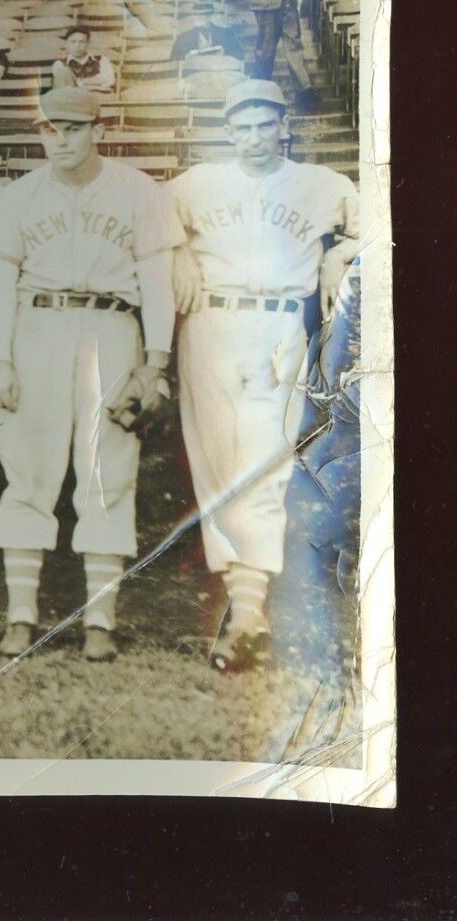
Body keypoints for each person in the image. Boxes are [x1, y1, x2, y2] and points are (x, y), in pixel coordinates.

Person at [0, 86, 182, 662]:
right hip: (35, 326)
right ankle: (21, 616)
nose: (59, 139)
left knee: (107, 471)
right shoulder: (17, 196)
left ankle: (100, 619)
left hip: (112, 328)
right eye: (48, 128)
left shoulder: (139, 192)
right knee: (28, 469)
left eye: (71, 128)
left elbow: (158, 282)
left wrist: (156, 363)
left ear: (98, 130)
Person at [167, 79, 360, 673]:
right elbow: (144, 225)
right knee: (216, 466)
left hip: (279, 329)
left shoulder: (322, 185)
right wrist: (176, 253)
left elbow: (383, 220)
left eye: (264, 123)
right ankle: (245, 604)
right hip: (209, 324)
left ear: (284, 125)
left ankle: (246, 614)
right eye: (241, 126)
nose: (254, 136)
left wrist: (340, 253)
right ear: (228, 130)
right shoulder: (198, 183)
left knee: (263, 461)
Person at [171, 0, 243, 62]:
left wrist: (225, 53)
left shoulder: (226, 34)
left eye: (202, 14)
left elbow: (240, 56)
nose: (198, 17)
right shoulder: (183, 38)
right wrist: (185, 57)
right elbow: (173, 61)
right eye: (196, 14)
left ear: (210, 16)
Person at [49, 26, 117, 93]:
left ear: (88, 43)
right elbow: (62, 88)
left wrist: (79, 82)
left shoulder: (101, 60)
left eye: (82, 42)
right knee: (64, 72)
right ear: (67, 44)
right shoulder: (60, 64)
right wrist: (95, 83)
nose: (77, 46)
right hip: (73, 100)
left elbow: (109, 81)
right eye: (73, 42)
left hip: (97, 98)